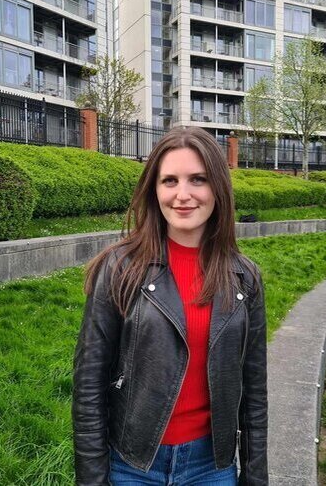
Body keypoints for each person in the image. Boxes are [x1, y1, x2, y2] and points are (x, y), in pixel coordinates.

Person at [72, 126, 268, 485]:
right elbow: (89, 385)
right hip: (131, 466)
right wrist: (92, 478)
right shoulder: (119, 268)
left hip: (211, 468)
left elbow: (254, 391)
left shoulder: (245, 277)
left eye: (198, 179)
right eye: (170, 181)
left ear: (218, 188)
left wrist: (255, 477)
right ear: (154, 189)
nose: (183, 195)